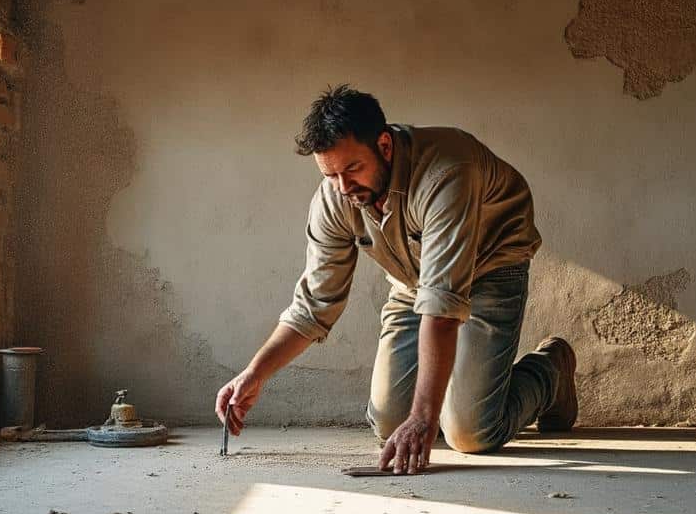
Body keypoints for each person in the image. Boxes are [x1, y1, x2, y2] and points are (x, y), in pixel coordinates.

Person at [214, 85, 577, 474]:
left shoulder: (446, 172)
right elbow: (313, 305)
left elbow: (441, 308)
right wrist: (255, 373)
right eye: (330, 174)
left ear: (384, 145)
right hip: (415, 283)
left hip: (492, 267)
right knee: (389, 424)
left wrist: (424, 417)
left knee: (471, 433)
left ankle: (551, 368)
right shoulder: (335, 197)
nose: (343, 187)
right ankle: (451, 400)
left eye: (353, 169)